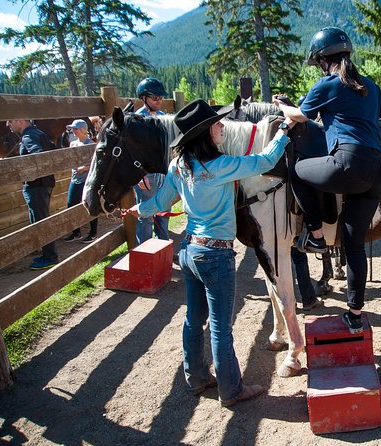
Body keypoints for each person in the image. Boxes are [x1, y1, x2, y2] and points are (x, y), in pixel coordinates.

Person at [122, 99, 293, 406]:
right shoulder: (221, 165)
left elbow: (160, 204)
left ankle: (197, 377)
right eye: (216, 124)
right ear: (204, 134)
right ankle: (231, 390)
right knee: (221, 327)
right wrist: (283, 130)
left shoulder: (178, 165)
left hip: (189, 251)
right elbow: (265, 160)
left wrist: (137, 209)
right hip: (216, 255)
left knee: (193, 320)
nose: (222, 126)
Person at [273, 26, 381, 334]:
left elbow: (298, 116)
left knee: (297, 171)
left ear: (321, 60)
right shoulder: (368, 84)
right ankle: (355, 315)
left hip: (347, 163)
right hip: (377, 171)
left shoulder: (327, 85)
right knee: (354, 246)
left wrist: (281, 105)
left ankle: (316, 233)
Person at [7, 119, 59, 270]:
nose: (8, 124)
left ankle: (50, 257)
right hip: (44, 185)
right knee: (40, 219)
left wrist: (33, 175)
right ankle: (46, 253)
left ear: (20, 120)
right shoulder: (38, 133)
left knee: (41, 221)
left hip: (37, 186)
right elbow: (54, 149)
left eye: (10, 121)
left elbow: (39, 155)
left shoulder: (28, 136)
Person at [134, 77, 171, 244]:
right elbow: (133, 152)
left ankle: (163, 248)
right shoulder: (136, 120)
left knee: (164, 211)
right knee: (146, 214)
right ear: (144, 98)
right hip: (146, 174)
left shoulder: (163, 117)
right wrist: (140, 175)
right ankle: (144, 252)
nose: (159, 101)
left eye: (161, 98)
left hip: (163, 172)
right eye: (155, 98)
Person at [63, 119, 98, 243]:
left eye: (76, 129)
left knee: (89, 204)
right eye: (73, 129)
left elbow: (97, 164)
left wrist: (85, 168)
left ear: (82, 130)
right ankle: (76, 232)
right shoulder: (73, 144)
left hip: (87, 180)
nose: (73, 131)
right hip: (75, 178)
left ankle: (93, 233)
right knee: (71, 204)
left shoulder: (91, 145)